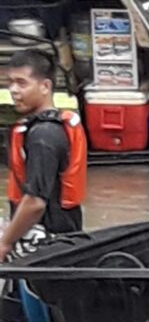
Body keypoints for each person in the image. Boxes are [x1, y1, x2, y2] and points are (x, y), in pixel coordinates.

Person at [1, 51, 87, 261]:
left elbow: (35, 202)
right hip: (59, 235)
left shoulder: (44, 136)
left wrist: (5, 242)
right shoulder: (41, 129)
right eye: (10, 83)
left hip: (48, 243)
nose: (13, 90)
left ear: (45, 86)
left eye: (22, 83)